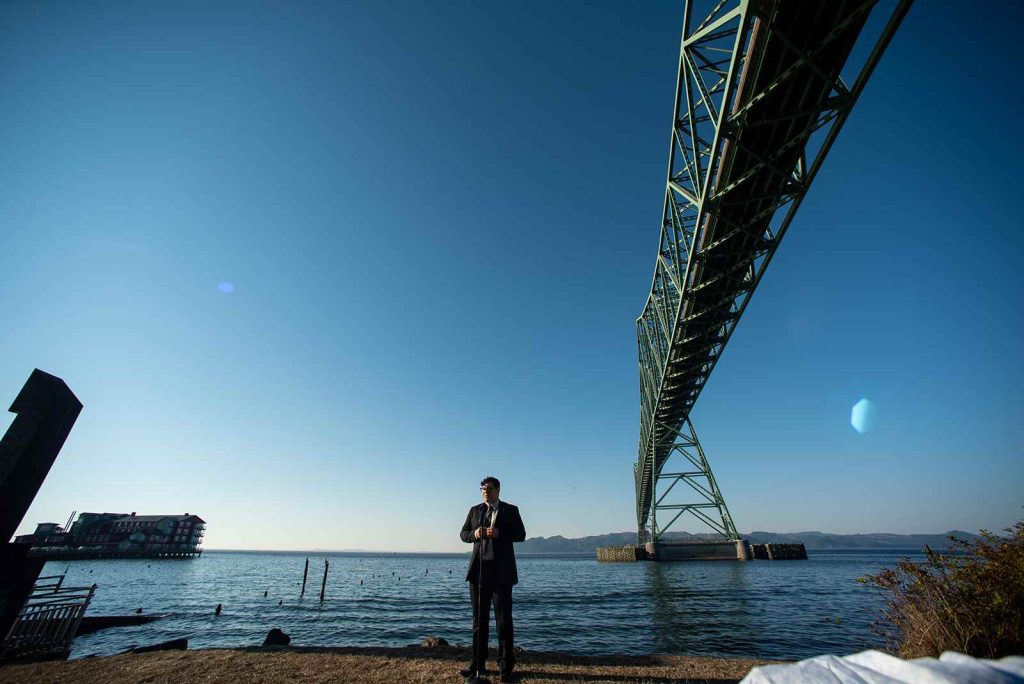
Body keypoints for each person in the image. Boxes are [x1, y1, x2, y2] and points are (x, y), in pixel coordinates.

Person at [459, 476, 526, 682]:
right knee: (479, 621)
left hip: (502, 573)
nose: (485, 491)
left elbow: (521, 535)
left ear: (498, 489)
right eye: (482, 488)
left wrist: (499, 532)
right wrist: (475, 534)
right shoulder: (475, 511)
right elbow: (463, 533)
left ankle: (505, 668)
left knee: (503, 621)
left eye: (488, 488)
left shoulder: (510, 510)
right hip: (478, 573)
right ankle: (477, 665)